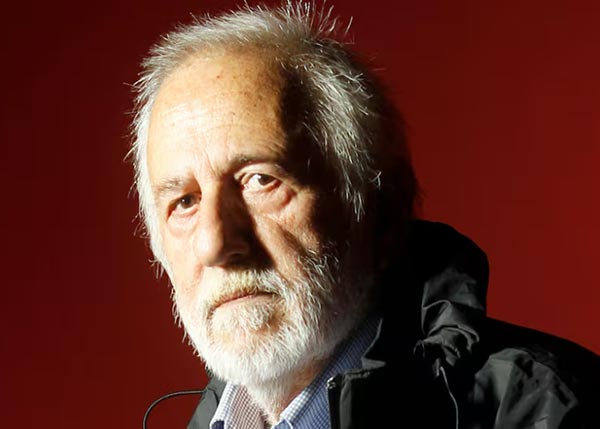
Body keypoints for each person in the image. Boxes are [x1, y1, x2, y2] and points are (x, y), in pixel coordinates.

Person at [131, 2, 600, 428]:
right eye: (184, 202)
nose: (215, 243)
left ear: (381, 210)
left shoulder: (549, 410)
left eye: (260, 180)